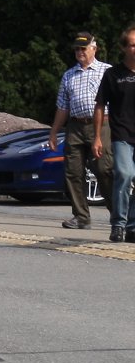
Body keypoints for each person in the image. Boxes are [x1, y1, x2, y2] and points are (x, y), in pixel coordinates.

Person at [50, 32, 112, 231]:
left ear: (94, 49)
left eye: (83, 48)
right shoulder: (69, 75)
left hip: (101, 125)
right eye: (77, 49)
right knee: (73, 172)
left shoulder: (106, 71)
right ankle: (81, 216)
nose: (79, 52)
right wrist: (54, 132)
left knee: (104, 169)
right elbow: (63, 107)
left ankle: (118, 214)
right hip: (75, 126)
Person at [93, 25, 135, 243]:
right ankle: (118, 224)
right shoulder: (113, 74)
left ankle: (132, 226)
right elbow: (100, 105)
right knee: (125, 174)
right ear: (124, 48)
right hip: (122, 135)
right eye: (132, 45)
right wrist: (97, 137)